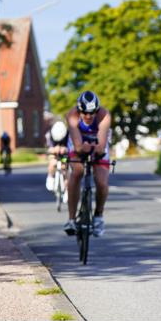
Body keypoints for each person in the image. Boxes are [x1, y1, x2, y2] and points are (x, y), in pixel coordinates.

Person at [63, 91, 112, 237]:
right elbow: (78, 146)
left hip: (97, 144)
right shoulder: (72, 115)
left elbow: (101, 146)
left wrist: (95, 150)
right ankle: (71, 219)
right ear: (79, 110)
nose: (88, 116)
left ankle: (98, 216)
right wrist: (82, 149)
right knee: (77, 172)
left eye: (92, 113)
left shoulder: (104, 115)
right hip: (78, 143)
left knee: (102, 182)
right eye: (84, 113)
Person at [45, 120, 69, 191]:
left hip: (64, 155)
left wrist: (65, 149)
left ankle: (66, 188)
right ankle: (50, 177)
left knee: (64, 166)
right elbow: (48, 148)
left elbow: (70, 147)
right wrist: (53, 149)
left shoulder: (68, 135)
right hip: (54, 154)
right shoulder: (49, 135)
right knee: (52, 163)